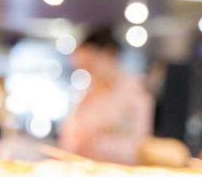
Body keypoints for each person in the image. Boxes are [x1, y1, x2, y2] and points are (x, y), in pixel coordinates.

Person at [59, 27, 153, 165]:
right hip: (84, 171)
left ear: (110, 54)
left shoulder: (135, 95)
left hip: (118, 176)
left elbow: (136, 147)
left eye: (91, 65)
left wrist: (95, 142)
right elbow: (69, 138)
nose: (90, 74)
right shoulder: (89, 93)